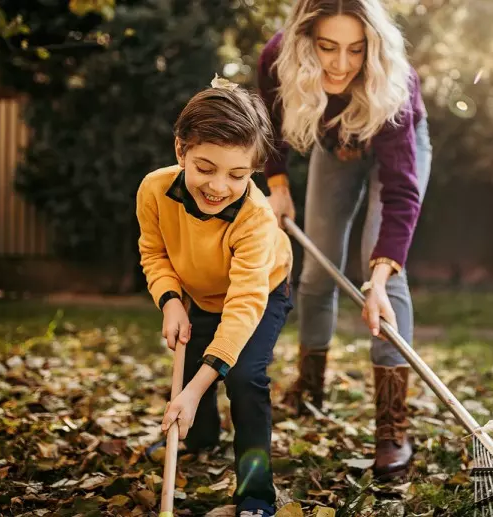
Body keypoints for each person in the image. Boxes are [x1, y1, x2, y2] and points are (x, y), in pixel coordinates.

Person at [257, 0, 432, 479]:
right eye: (328, 47)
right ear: (305, 42)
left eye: (356, 50)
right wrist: (276, 184)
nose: (341, 63)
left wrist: (376, 278)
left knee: (387, 285)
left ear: (371, 48)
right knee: (315, 272)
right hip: (335, 144)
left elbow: (400, 194)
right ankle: (309, 388)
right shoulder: (277, 58)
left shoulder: (394, 82)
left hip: (396, 142)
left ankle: (392, 429)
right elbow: (270, 125)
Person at [136, 76, 294, 517]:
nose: (219, 186)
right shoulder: (153, 190)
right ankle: (201, 437)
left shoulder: (256, 220)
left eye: (238, 174)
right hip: (196, 291)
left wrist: (195, 387)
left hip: (261, 291)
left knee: (242, 377)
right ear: (180, 150)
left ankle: (255, 492)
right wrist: (169, 300)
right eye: (205, 168)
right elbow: (154, 251)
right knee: (194, 360)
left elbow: (244, 306)